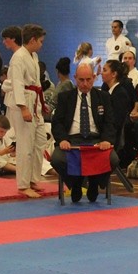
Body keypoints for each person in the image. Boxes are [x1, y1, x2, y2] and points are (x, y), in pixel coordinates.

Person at [51, 62, 118, 203]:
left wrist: (106, 140)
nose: (85, 84)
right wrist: (62, 139)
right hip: (72, 141)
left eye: (88, 80)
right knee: (57, 159)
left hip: (96, 141)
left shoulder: (103, 97)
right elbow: (57, 123)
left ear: (94, 77)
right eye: (81, 80)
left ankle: (94, 182)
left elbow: (110, 122)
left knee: (113, 159)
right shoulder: (65, 97)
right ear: (75, 78)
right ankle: (75, 183)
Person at [8, 24, 49, 198]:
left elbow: (37, 84)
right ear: (32, 40)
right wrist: (23, 107)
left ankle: (33, 179)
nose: (41, 44)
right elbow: (17, 84)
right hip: (23, 103)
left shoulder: (34, 56)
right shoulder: (18, 57)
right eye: (40, 41)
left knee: (39, 142)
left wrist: (43, 102)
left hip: (35, 101)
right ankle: (23, 185)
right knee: (25, 146)